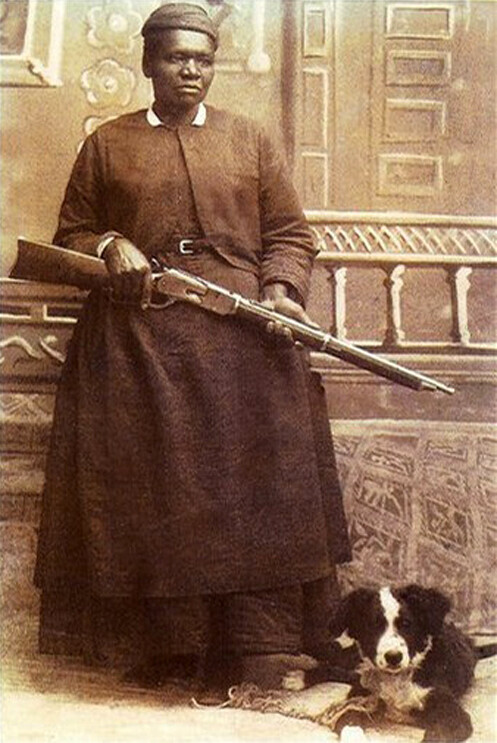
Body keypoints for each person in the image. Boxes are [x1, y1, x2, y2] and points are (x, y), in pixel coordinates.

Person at [34, 2, 350, 692]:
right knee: (160, 483)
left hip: (243, 342)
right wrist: (111, 244)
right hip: (141, 341)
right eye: (177, 58)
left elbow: (290, 235)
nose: (190, 71)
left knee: (257, 483)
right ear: (149, 63)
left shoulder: (250, 140)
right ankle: (172, 648)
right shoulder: (108, 144)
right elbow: (71, 236)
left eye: (202, 60)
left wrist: (281, 290)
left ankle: (256, 645)